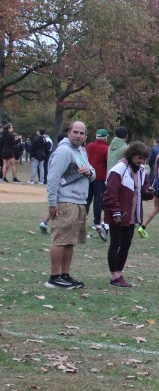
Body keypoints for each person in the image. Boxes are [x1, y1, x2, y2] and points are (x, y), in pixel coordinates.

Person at [45, 121, 94, 289]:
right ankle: (54, 277)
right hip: (66, 201)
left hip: (79, 201)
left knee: (70, 240)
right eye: (75, 132)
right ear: (69, 132)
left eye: (82, 133)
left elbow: (93, 173)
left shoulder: (81, 151)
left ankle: (65, 275)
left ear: (85, 136)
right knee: (60, 239)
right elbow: (53, 178)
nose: (78, 136)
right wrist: (52, 203)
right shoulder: (64, 151)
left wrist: (89, 172)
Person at [103, 142, 154, 287]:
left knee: (126, 244)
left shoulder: (142, 170)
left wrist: (149, 191)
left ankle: (119, 273)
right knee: (115, 243)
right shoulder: (118, 169)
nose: (141, 161)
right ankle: (114, 276)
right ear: (131, 155)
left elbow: (144, 189)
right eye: (139, 158)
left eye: (143, 158)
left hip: (132, 216)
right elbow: (110, 193)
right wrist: (115, 211)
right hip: (118, 215)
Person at [86, 128, 110, 240]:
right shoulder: (106, 148)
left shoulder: (89, 146)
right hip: (100, 176)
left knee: (87, 198)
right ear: (105, 137)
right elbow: (106, 162)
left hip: (89, 175)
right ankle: (96, 221)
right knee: (98, 200)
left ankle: (82, 218)